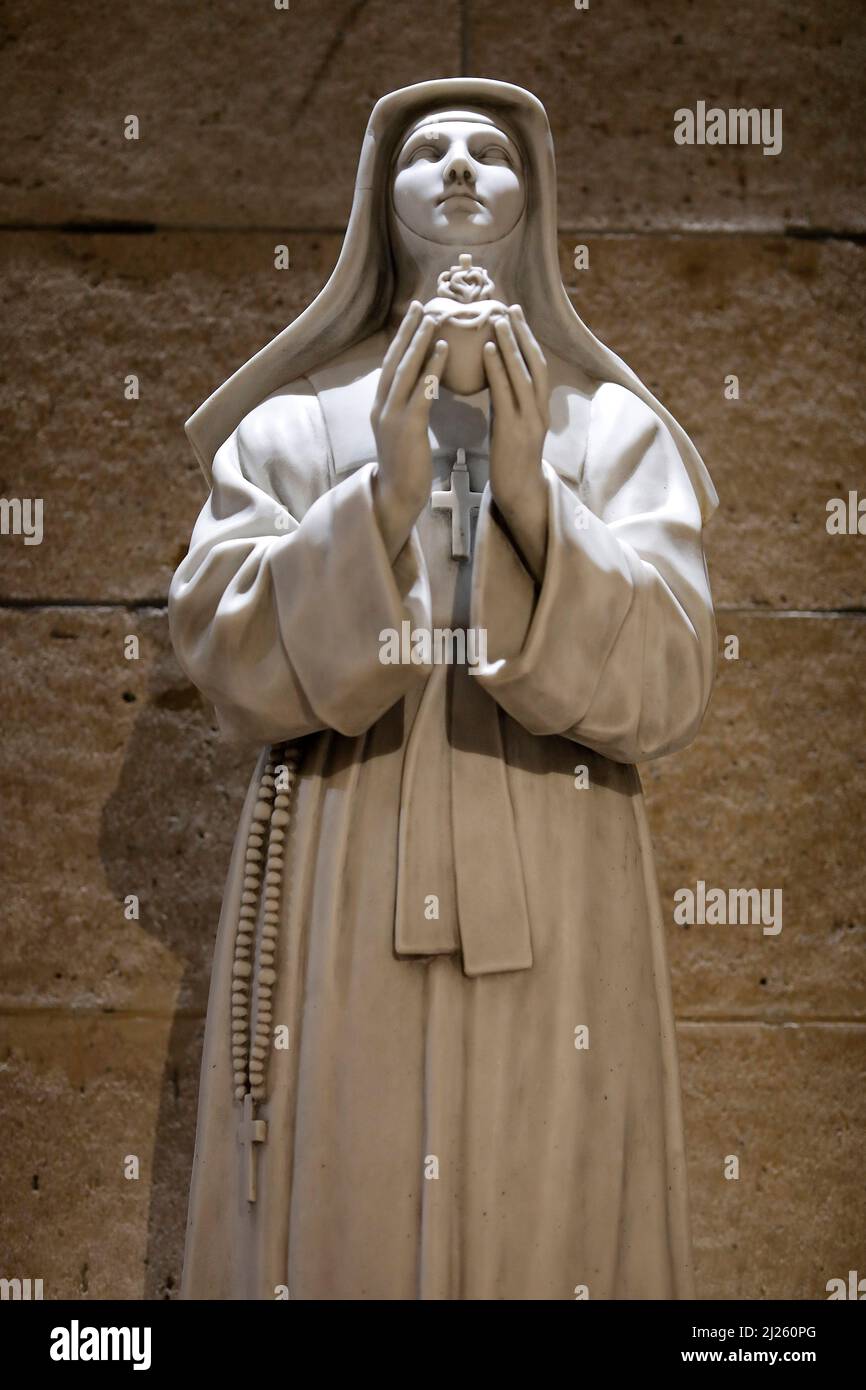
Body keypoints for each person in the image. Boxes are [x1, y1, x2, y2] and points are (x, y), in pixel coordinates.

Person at [170, 78, 718, 1300]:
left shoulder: (613, 431)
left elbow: (671, 676)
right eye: (429, 150)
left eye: (489, 152)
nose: (461, 168)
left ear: (532, 202)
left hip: (552, 859)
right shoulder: (291, 426)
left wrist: (532, 492)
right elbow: (224, 650)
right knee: (343, 1187)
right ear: (383, 199)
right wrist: (382, 489)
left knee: (551, 1187)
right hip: (346, 859)